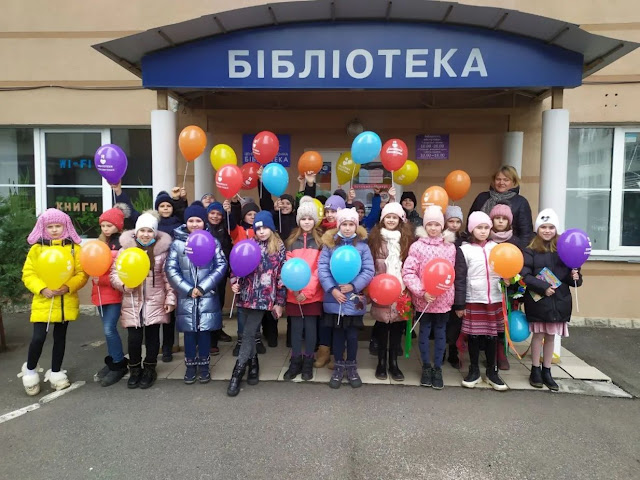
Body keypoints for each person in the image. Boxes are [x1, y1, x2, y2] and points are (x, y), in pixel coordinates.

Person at [18, 209, 88, 395]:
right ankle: (30, 371)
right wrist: (42, 289)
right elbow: (28, 274)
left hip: (65, 302)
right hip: (44, 301)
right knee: (38, 338)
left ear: (66, 227)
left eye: (58, 226)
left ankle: (56, 372)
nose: (55, 230)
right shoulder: (37, 249)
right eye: (50, 226)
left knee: (60, 339)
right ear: (43, 227)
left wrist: (68, 286)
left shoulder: (74, 249)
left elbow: (81, 274)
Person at [110, 212, 176, 389]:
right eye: (142, 230)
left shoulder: (162, 253)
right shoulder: (125, 251)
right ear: (136, 232)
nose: (146, 234)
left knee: (153, 337)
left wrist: (170, 299)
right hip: (132, 301)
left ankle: (149, 368)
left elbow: (168, 278)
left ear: (155, 232)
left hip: (155, 301)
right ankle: (135, 369)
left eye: (150, 231)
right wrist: (124, 285)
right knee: (134, 338)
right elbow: (114, 274)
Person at [165, 203, 228, 384]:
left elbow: (221, 266)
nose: (194, 224)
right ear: (186, 222)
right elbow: (171, 269)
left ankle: (204, 366)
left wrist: (203, 287)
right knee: (190, 333)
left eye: (198, 220)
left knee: (204, 332)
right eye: (191, 220)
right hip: (186, 297)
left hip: (206, 295)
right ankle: (190, 366)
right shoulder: (177, 244)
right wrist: (187, 289)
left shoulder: (213, 242)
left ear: (204, 222)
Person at [522, 209, 582, 391]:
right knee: (538, 335)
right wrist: (543, 287)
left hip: (559, 301)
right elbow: (525, 275)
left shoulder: (564, 249)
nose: (547, 231)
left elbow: (573, 279)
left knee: (550, 337)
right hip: (539, 301)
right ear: (537, 229)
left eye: (551, 227)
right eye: (543, 227)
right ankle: (535, 369)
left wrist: (576, 276)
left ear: (556, 229)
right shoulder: (530, 250)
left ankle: (547, 370)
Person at [227, 211, 286, 397]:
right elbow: (236, 266)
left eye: (265, 228)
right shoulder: (248, 244)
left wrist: (280, 302)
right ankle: (253, 364)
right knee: (250, 333)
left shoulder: (279, 248)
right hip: (246, 295)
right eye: (258, 229)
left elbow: (282, 277)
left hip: (263, 297)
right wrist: (234, 282)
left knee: (248, 333)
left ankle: (237, 372)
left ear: (271, 229)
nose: (261, 232)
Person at [318, 207, 375, 389]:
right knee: (337, 335)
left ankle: (351, 366)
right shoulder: (330, 245)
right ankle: (338, 366)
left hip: (354, 299)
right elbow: (323, 269)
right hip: (335, 299)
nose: (348, 228)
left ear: (356, 226)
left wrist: (354, 286)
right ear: (339, 225)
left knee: (351, 336)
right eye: (344, 224)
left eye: (351, 224)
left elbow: (368, 270)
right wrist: (332, 289)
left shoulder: (362, 247)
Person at [402, 206, 457, 390]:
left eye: (437, 224)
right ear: (425, 226)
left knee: (441, 333)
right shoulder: (417, 247)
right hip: (424, 299)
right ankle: (426, 367)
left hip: (443, 299)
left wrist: (444, 290)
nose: (433, 228)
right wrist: (421, 291)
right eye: (430, 224)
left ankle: (437, 368)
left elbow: (450, 272)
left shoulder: (449, 247)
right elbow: (409, 272)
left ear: (442, 226)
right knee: (424, 332)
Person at [454, 211, 508, 391]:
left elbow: (505, 269)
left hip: (494, 299)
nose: (483, 231)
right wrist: (460, 303)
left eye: (486, 227)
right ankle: (474, 370)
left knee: (492, 336)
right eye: (479, 228)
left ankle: (492, 371)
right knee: (474, 336)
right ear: (471, 229)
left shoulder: (497, 248)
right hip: (474, 298)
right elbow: (460, 279)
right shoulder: (464, 250)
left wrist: (508, 280)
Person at [368, 202, 414, 381]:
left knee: (397, 327)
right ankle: (381, 362)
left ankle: (393, 363)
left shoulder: (407, 240)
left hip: (402, 290)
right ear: (382, 219)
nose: (391, 220)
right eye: (388, 217)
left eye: (395, 217)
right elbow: (371, 264)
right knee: (382, 326)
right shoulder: (375, 239)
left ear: (400, 220)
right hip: (381, 289)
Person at [283, 198, 323, 381]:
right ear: (298, 220)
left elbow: (319, 270)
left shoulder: (320, 242)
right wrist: (295, 290)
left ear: (315, 220)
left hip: (312, 294)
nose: (306, 222)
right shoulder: (291, 241)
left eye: (310, 218)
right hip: (294, 294)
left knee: (311, 329)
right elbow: (289, 268)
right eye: (303, 218)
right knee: (296, 329)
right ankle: (295, 360)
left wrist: (306, 292)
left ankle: (308, 360)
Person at [92, 208, 128, 387]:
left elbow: (121, 272)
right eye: (103, 225)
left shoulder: (122, 244)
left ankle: (119, 364)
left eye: (109, 225)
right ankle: (114, 360)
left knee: (109, 329)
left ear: (118, 226)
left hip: (114, 292)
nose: (105, 229)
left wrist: (102, 279)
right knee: (107, 330)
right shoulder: (100, 243)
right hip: (99, 293)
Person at [488, 201, 523, 371]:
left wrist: (512, 279)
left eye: (504, 218)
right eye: (497, 218)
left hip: (507, 289)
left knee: (503, 322)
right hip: (488, 287)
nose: (500, 221)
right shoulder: (486, 240)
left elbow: (519, 265)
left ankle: (501, 353)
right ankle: (489, 352)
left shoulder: (515, 242)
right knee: (490, 322)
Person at [314, 193, 347, 369]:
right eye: (327, 211)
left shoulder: (347, 231)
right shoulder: (319, 230)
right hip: (323, 282)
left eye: (333, 211)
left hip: (342, 284)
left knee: (339, 319)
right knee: (325, 319)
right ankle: (324, 351)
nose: (329, 215)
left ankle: (338, 352)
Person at [468, 166, 534, 245]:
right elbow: (471, 223)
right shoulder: (482, 198)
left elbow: (526, 233)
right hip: (481, 245)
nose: (501, 183)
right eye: (498, 179)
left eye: (506, 180)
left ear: (514, 182)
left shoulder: (521, 202)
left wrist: (520, 249)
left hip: (510, 247)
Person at [154, 191, 184, 362]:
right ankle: (155, 346)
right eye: (162, 206)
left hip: (173, 269)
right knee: (156, 310)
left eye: (168, 206)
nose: (165, 208)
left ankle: (168, 347)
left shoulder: (178, 224)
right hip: (156, 271)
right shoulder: (153, 224)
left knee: (170, 310)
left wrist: (180, 199)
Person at [206, 201, 234, 353]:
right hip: (205, 273)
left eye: (218, 214)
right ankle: (210, 340)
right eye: (212, 213)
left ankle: (216, 333)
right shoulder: (203, 228)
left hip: (221, 273)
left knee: (218, 304)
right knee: (208, 306)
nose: (215, 216)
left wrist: (230, 212)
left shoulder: (226, 228)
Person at [443, 205, 465, 368]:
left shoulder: (464, 241)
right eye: (451, 221)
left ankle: (453, 351)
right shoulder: (441, 239)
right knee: (443, 321)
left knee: (456, 321)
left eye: (457, 221)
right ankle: (441, 350)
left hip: (459, 284)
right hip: (443, 284)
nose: (454, 225)